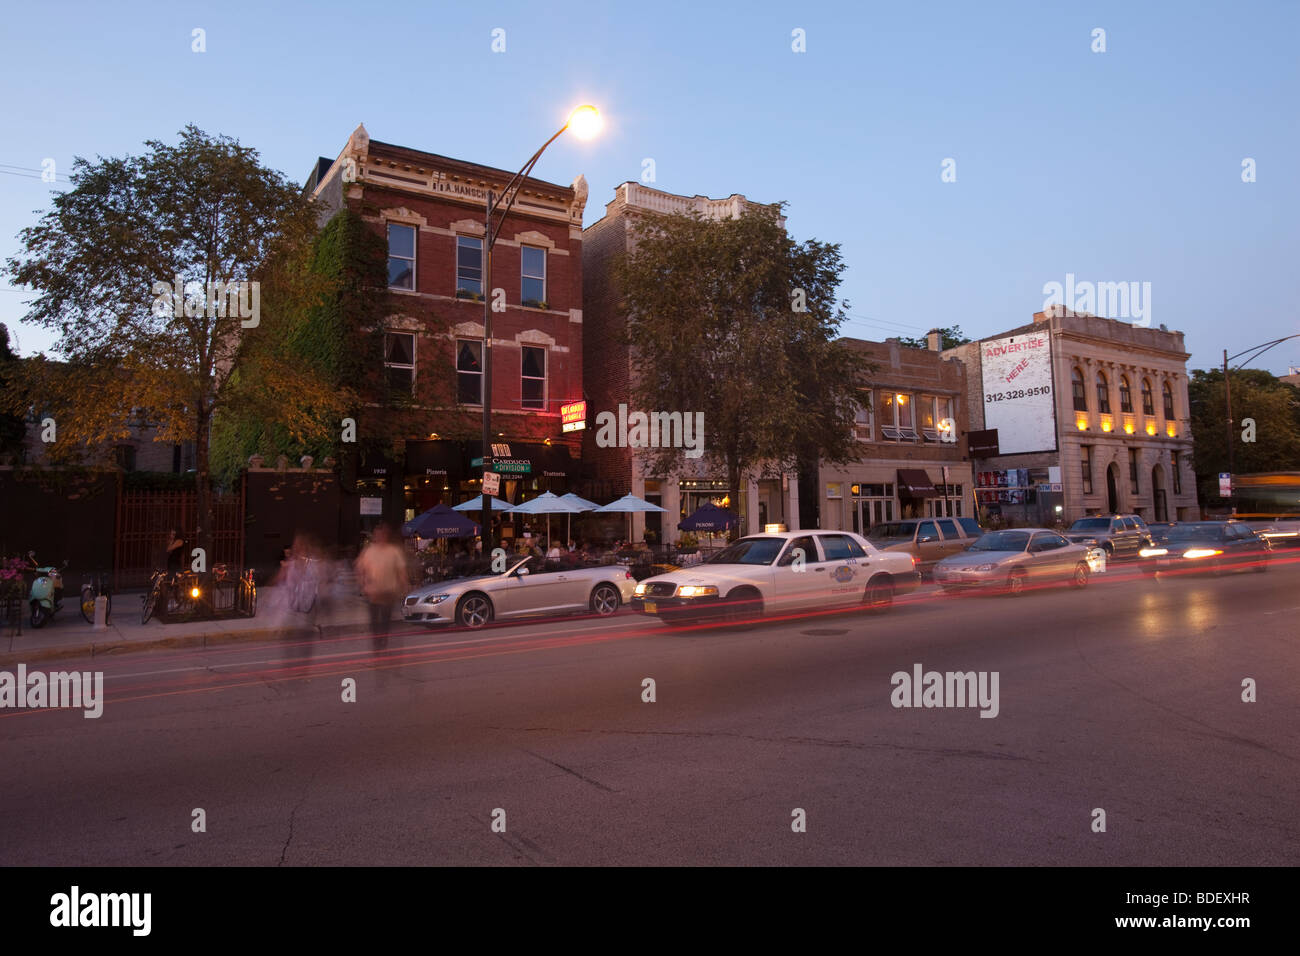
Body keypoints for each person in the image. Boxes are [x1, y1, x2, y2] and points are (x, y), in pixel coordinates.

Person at [354, 525, 409, 644]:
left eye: (383, 535)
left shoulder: (393, 551)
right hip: (373, 592)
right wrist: (363, 585)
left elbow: (401, 571)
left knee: (385, 619)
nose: (380, 537)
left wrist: (404, 586)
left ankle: (383, 641)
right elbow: (360, 568)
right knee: (375, 621)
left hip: (388, 591)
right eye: (378, 535)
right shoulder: (369, 551)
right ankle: (377, 642)